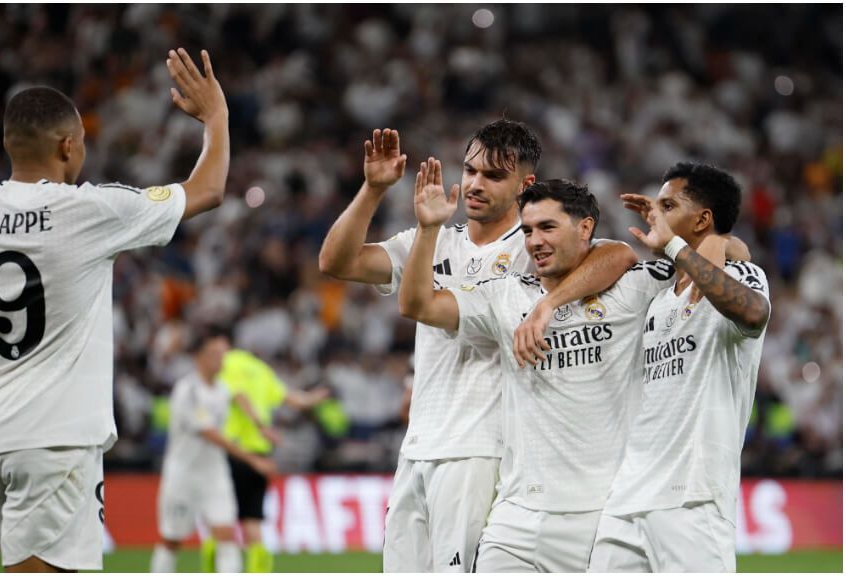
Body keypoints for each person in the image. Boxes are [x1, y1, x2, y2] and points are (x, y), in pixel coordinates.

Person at [0, 48, 229, 572]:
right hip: (54, 442)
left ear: (7, 143)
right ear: (69, 145)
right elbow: (208, 189)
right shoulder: (89, 210)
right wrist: (217, 117)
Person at [318, 122, 636, 572]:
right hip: (418, 445)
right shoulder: (432, 239)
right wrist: (372, 190)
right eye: (470, 171)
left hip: (481, 450)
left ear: (525, 185)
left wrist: (548, 304)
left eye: (493, 176)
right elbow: (336, 261)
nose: (475, 184)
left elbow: (618, 255)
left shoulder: (535, 245)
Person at [399, 173, 677, 572]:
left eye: (548, 227)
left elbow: (630, 253)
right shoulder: (505, 295)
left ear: (585, 228)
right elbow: (417, 306)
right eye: (528, 230)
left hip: (602, 516)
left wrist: (548, 307)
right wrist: (428, 230)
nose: (534, 241)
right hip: (516, 520)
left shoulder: (630, 288)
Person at [590, 163, 770, 572]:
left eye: (668, 206)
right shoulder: (659, 297)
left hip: (692, 497)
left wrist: (681, 246)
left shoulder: (742, 274)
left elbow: (755, 314)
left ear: (703, 219)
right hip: (628, 496)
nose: (655, 215)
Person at [150, 327, 276, 573]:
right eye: (215, 354)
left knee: (226, 535)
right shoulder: (188, 390)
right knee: (172, 540)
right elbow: (211, 434)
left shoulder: (221, 388)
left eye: (223, 353)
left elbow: (239, 397)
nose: (221, 359)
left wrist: (261, 425)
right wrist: (253, 460)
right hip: (183, 474)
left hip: (214, 474)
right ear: (199, 357)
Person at [219, 348, 329, 573]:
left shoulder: (228, 362)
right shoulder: (262, 371)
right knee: (252, 519)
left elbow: (238, 395)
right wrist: (314, 398)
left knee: (221, 518)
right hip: (260, 453)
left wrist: (261, 425)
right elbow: (295, 400)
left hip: (233, 449)